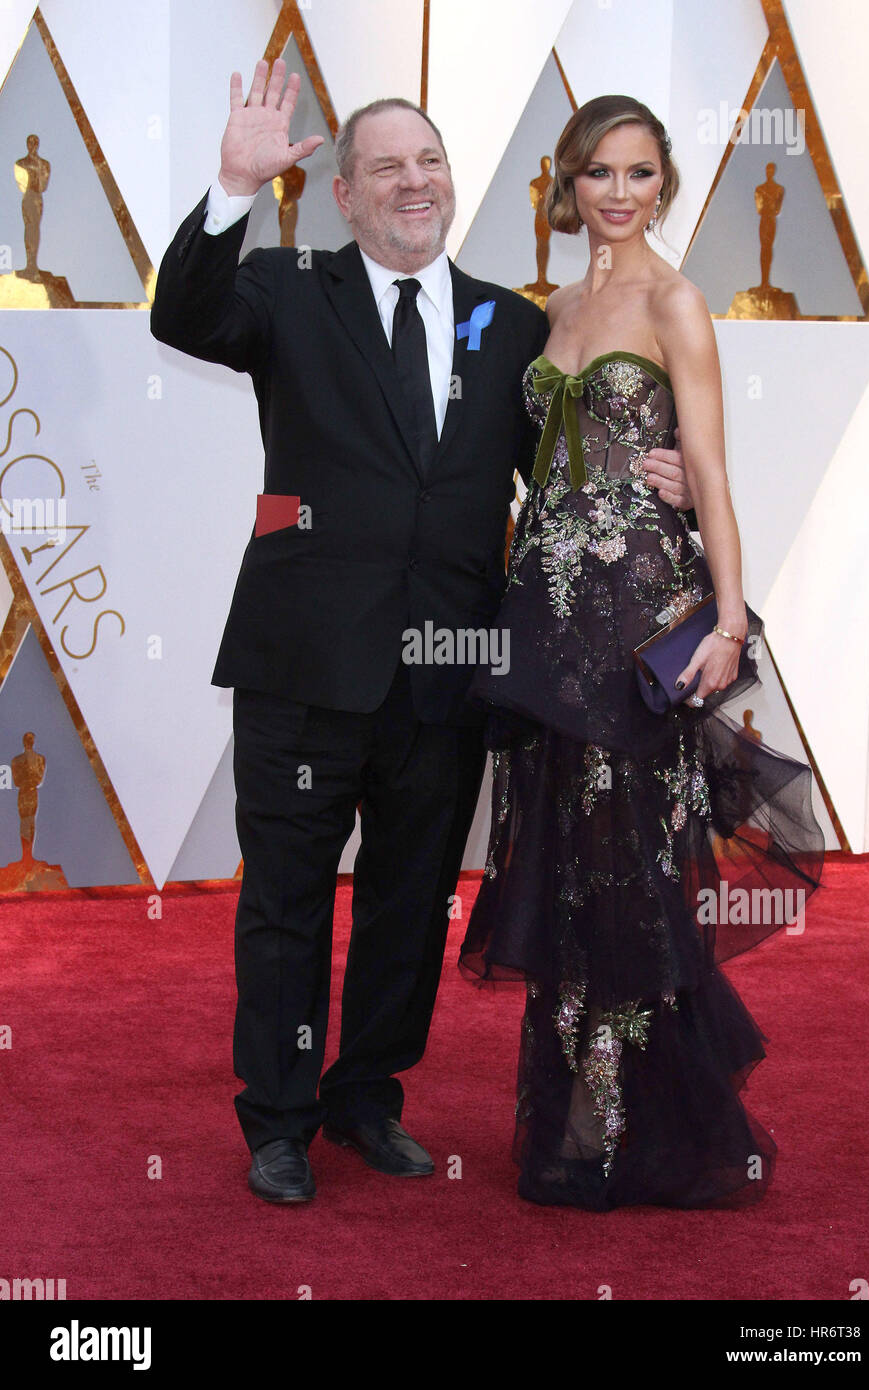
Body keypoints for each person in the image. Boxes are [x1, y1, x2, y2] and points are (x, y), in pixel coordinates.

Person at [150, 62, 692, 1204]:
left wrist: (668, 480)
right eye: (386, 165)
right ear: (342, 194)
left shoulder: (511, 321)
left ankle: (364, 1097)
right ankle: (280, 1120)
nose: (414, 181)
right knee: (287, 900)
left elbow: (556, 473)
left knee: (406, 900)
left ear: (453, 182)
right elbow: (187, 315)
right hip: (303, 659)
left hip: (448, 668)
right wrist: (229, 187)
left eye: (429, 162)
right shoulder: (291, 289)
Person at [459, 95, 824, 1211]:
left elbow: (706, 473)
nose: (616, 194)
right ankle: (580, 1096)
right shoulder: (552, 308)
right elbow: (535, 464)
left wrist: (724, 621)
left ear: (662, 184)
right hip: (547, 628)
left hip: (638, 622)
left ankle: (614, 1120)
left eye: (638, 174)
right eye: (596, 174)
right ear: (567, 184)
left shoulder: (675, 302)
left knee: (628, 866)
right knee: (563, 862)